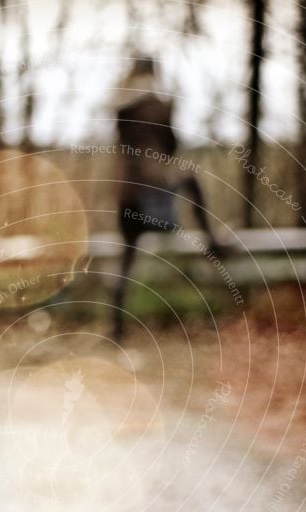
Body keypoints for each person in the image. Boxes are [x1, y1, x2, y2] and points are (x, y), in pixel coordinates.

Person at [113, 58, 223, 341]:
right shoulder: (149, 107)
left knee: (127, 259)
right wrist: (166, 108)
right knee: (191, 179)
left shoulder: (123, 108)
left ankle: (116, 327)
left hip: (129, 198)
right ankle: (212, 240)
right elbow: (172, 147)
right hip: (147, 199)